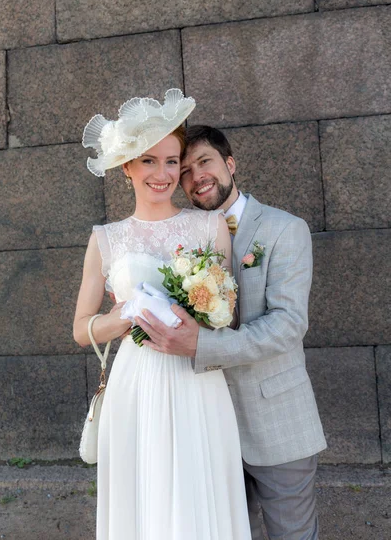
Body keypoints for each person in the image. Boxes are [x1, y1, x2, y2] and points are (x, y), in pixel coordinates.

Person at [73, 92, 252, 540]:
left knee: (198, 495)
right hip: (135, 383)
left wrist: (206, 311)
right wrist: (124, 318)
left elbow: (227, 316)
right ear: (127, 167)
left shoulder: (208, 226)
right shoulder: (105, 238)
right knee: (143, 496)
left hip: (197, 380)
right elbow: (81, 329)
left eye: (172, 162)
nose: (164, 174)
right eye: (149, 162)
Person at [137, 125, 327, 540]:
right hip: (206, 423)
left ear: (230, 164)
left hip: (276, 420)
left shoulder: (284, 229)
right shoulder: (179, 239)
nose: (195, 176)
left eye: (204, 162)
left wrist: (201, 344)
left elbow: (288, 325)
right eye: (184, 170)